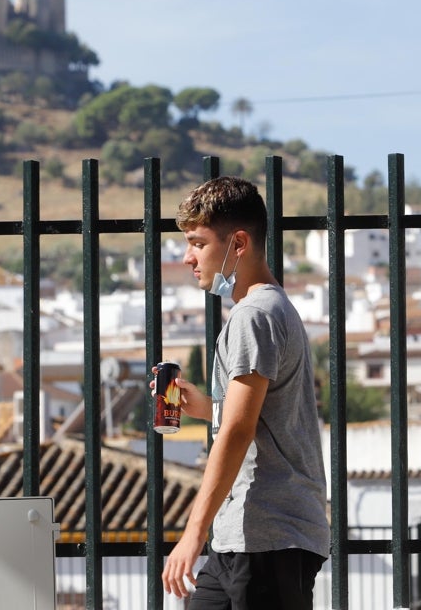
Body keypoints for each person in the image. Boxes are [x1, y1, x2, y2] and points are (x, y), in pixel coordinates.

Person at [159, 176, 329, 609]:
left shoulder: (255, 315)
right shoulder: (267, 308)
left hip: (267, 537)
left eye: (197, 243)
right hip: (245, 536)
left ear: (237, 243)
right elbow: (254, 416)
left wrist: (192, 534)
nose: (186, 257)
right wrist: (209, 408)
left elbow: (237, 431)